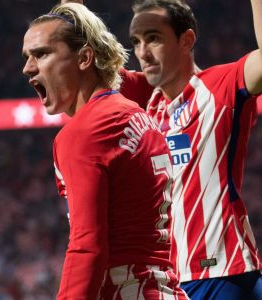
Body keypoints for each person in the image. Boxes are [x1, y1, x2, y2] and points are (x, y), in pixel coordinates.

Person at [62, 0, 262, 299]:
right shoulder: (142, 101)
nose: (142, 52)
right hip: (169, 282)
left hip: (224, 274)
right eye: (136, 41)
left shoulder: (221, 85)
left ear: (187, 40)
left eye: (153, 38)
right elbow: (81, 68)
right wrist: (72, 6)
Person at [22, 3, 189, 299]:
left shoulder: (83, 133)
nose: (28, 68)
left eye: (42, 54)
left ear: (85, 58)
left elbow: (88, 246)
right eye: (28, 57)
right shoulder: (136, 113)